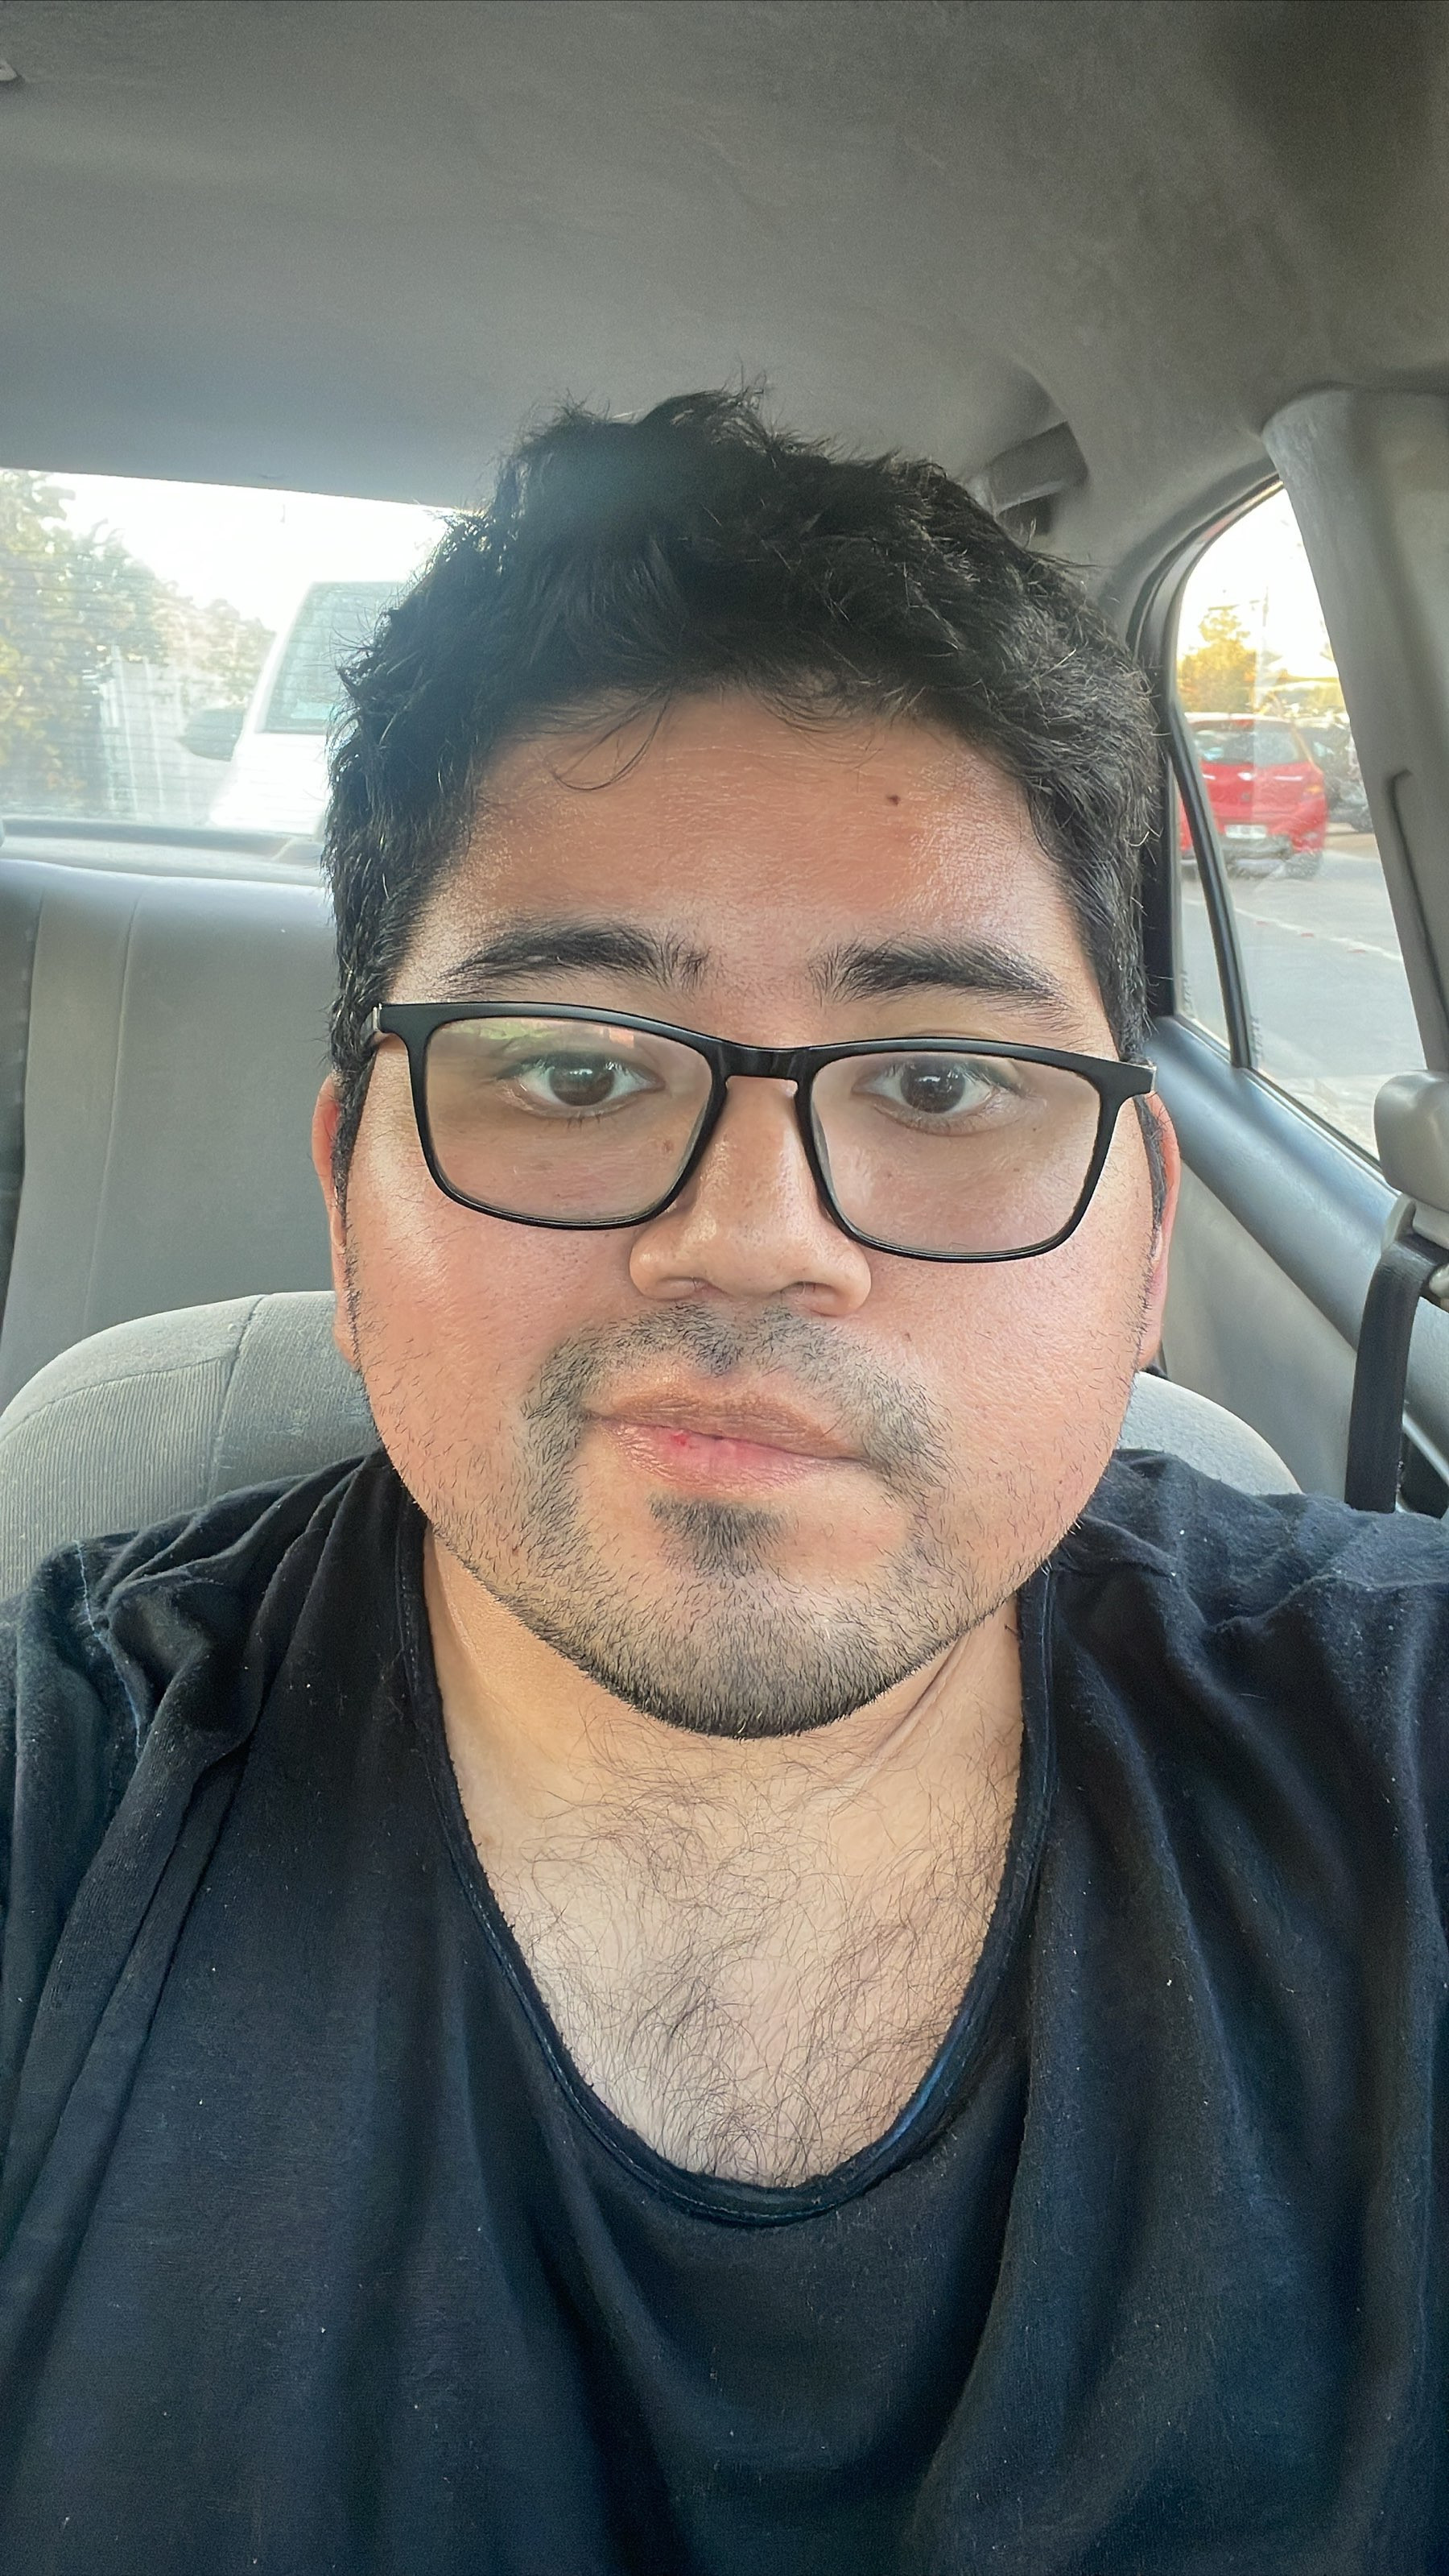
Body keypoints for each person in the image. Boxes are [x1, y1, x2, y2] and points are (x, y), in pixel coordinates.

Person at [1, 391, 1446, 2574]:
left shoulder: (1407, 1742)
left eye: (943, 1082)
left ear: (1145, 1235)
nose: (755, 1239)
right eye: (570, 1069)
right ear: (348, 1197)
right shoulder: (63, 1811)